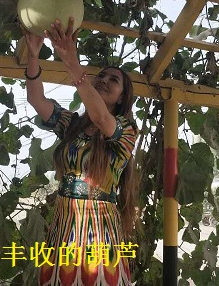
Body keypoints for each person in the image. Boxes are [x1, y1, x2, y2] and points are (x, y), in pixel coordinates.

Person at [24, 17, 139, 286]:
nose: (104, 81)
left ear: (122, 97)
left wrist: (72, 63)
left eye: (114, 80)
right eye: (102, 76)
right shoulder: (72, 125)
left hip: (99, 229)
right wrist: (33, 55)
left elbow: (101, 118)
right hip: (64, 223)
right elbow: (36, 100)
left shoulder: (126, 130)